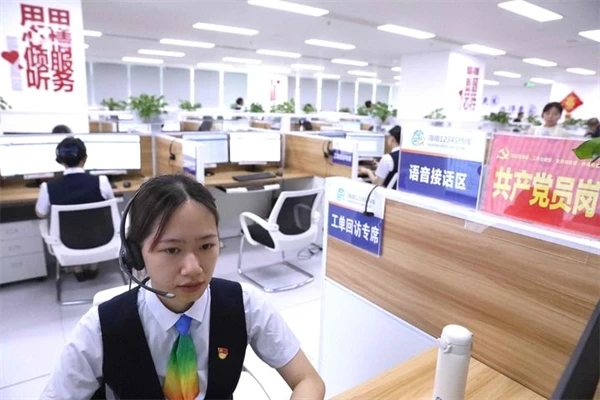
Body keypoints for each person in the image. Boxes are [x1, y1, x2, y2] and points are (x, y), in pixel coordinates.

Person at [40, 174, 325, 400]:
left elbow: (308, 380)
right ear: (135, 254)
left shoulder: (246, 304)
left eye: (206, 246)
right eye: (172, 250)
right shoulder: (100, 328)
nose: (194, 268)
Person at [35, 137, 115, 281]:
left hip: (68, 244)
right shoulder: (101, 182)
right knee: (94, 223)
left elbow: (41, 214)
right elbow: (110, 204)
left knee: (72, 228)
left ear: (60, 161)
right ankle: (93, 268)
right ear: (85, 158)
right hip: (101, 239)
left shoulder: (48, 188)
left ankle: (77, 270)